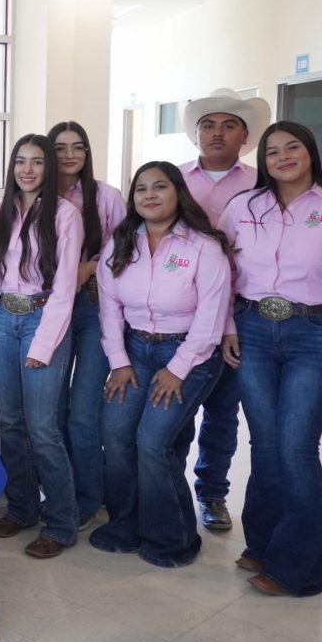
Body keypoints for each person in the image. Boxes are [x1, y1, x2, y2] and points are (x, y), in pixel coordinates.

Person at [219, 121, 322, 596]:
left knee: (296, 447)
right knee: (266, 445)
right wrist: (227, 326)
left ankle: (298, 570)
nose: (283, 157)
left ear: (311, 152)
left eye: (293, 147)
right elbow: (220, 270)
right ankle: (263, 544)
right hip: (251, 329)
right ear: (263, 160)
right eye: (273, 151)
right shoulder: (243, 207)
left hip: (315, 334)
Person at [91, 162, 232, 568]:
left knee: (153, 442)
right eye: (141, 189)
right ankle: (125, 525)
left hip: (190, 354)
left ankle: (173, 538)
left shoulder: (204, 247)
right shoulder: (120, 244)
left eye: (160, 187)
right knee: (115, 433)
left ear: (178, 193)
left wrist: (177, 368)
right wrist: (118, 361)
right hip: (134, 351)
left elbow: (210, 318)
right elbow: (109, 309)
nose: (149, 195)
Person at [0, 134, 83, 559]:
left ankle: (60, 523)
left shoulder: (65, 214)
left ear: (49, 168)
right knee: (11, 423)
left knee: (43, 429)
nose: (27, 170)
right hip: (0, 317)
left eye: (37, 162)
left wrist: (43, 345)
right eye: (20, 161)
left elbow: (65, 287)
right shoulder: (1, 211)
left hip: (43, 318)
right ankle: (21, 509)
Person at [178, 88, 270, 532]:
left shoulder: (262, 183)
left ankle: (211, 492)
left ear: (245, 136)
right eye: (208, 125)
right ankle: (168, 490)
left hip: (239, 313)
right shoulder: (175, 180)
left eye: (229, 125)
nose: (217, 133)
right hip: (179, 311)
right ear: (196, 134)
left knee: (222, 408)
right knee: (174, 407)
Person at [47, 120, 127, 532]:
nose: (69, 155)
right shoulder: (38, 195)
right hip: (49, 310)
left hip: (95, 307)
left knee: (83, 412)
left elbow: (127, 246)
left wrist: (92, 267)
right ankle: (60, 492)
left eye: (77, 147)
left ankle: (88, 498)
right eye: (60, 147)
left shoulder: (107, 196)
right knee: (53, 408)